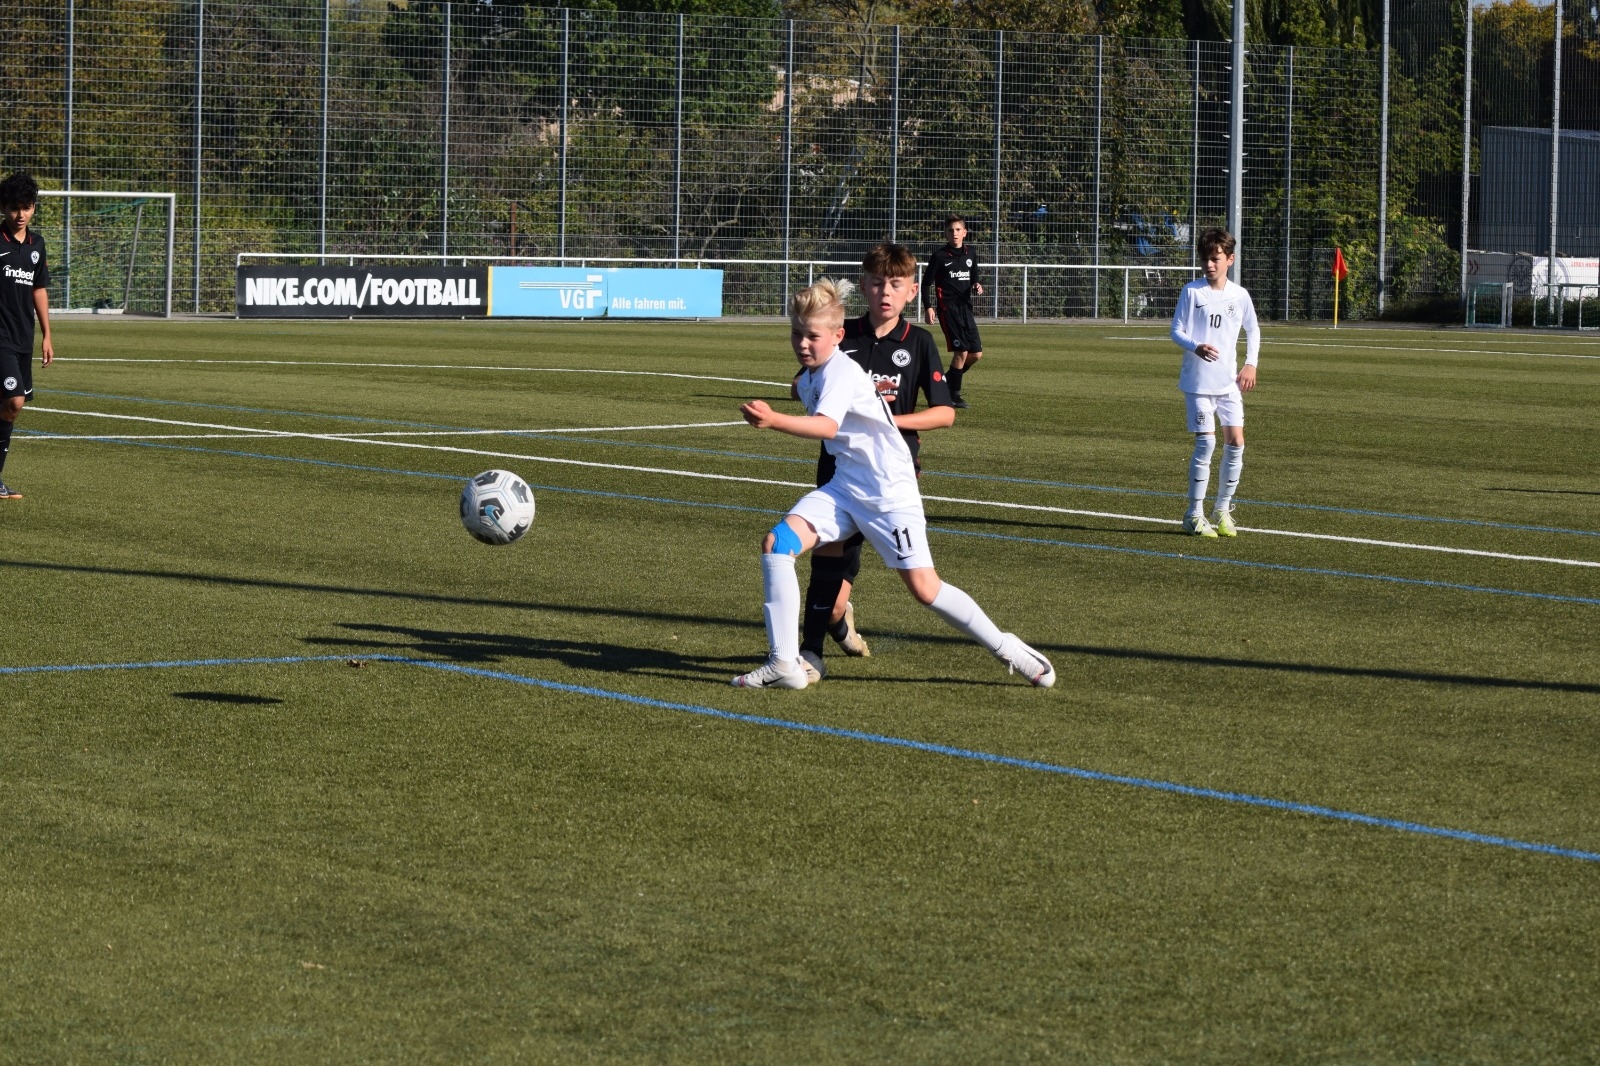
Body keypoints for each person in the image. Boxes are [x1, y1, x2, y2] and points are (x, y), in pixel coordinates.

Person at [733, 278, 1054, 690]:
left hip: (888, 492)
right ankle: (784, 663)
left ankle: (1007, 648)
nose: (803, 344)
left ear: (838, 336)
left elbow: (827, 425)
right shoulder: (815, 373)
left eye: (813, 336)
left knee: (925, 589)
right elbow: (813, 399)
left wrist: (774, 419)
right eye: (797, 334)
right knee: (778, 544)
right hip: (847, 485)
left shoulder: (842, 373)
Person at [797, 241, 954, 684]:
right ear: (864, 286)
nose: (886, 292)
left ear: (911, 291)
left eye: (896, 285)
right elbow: (802, 381)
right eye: (878, 282)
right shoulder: (842, 335)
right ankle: (810, 653)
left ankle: (835, 624)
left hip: (890, 475)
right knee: (827, 560)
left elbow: (945, 413)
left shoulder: (919, 343)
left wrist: (885, 419)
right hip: (839, 467)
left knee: (840, 597)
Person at [1169, 228, 1258, 538]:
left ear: (1229, 260)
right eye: (1205, 259)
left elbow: (1254, 330)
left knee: (1236, 443)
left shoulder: (1240, 295)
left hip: (1229, 384)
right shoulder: (1192, 292)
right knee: (1206, 443)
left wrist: (1250, 364)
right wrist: (1196, 346)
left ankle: (1221, 510)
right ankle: (1193, 514)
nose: (1209, 264)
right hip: (1197, 384)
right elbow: (1176, 331)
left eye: (1215, 259)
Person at [0, 172, 53, 500]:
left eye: (27, 207)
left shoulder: (37, 246)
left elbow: (39, 289)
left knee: (7, 407)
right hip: (0, 338)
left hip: (24, 338)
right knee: (14, 402)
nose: (21, 214)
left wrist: (47, 334)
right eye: (14, 207)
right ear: (3, 208)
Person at [922, 215, 984, 409]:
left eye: (958, 230)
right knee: (962, 351)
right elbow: (925, 284)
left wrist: (977, 285)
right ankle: (953, 396)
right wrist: (928, 307)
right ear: (945, 233)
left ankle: (944, 382)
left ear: (964, 233)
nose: (954, 233)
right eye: (950, 230)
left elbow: (974, 278)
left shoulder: (971, 253)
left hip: (966, 309)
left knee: (976, 354)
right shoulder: (939, 256)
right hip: (948, 310)